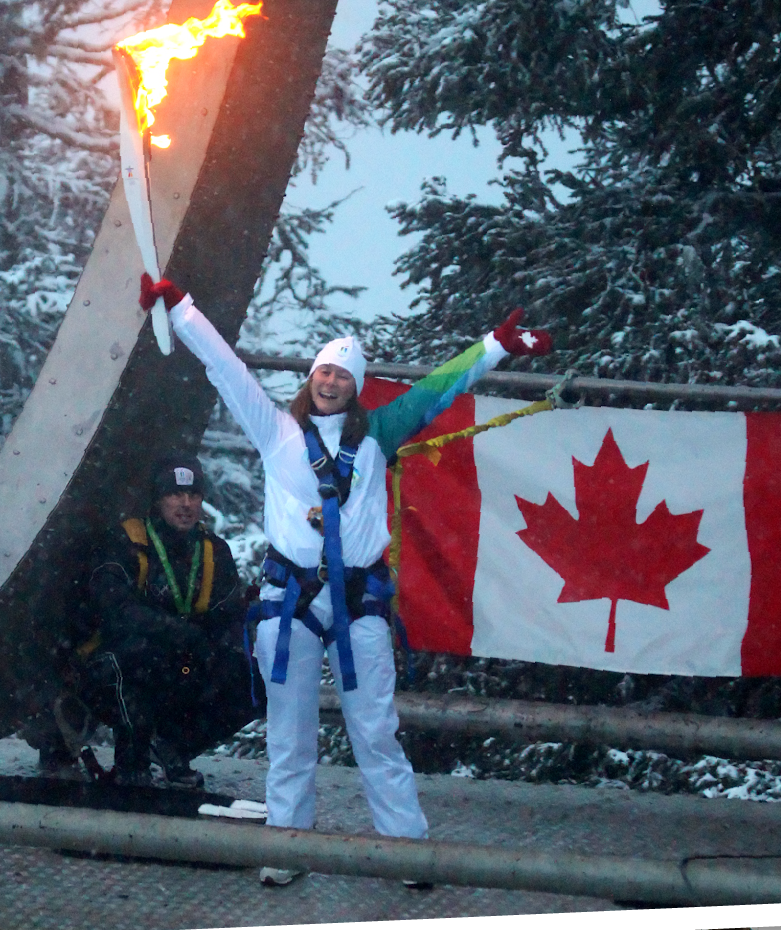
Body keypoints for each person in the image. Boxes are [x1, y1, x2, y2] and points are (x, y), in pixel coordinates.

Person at [139, 274, 551, 883]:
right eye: (324, 372)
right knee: (290, 732)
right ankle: (288, 846)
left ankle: (405, 847)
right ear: (311, 378)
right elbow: (226, 369)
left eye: (343, 375)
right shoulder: (276, 430)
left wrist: (493, 345)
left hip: (358, 599)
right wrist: (181, 309)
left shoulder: (378, 435)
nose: (330, 382)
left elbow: (436, 390)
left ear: (355, 388)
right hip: (290, 602)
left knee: (376, 729)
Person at [61, 455, 251, 787]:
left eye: (193, 495)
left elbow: (227, 613)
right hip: (112, 664)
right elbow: (113, 608)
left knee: (248, 676)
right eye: (175, 495)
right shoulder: (127, 542)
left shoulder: (213, 551)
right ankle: (132, 758)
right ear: (157, 500)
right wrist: (174, 631)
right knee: (135, 658)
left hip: (178, 662)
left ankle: (172, 746)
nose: (186, 504)